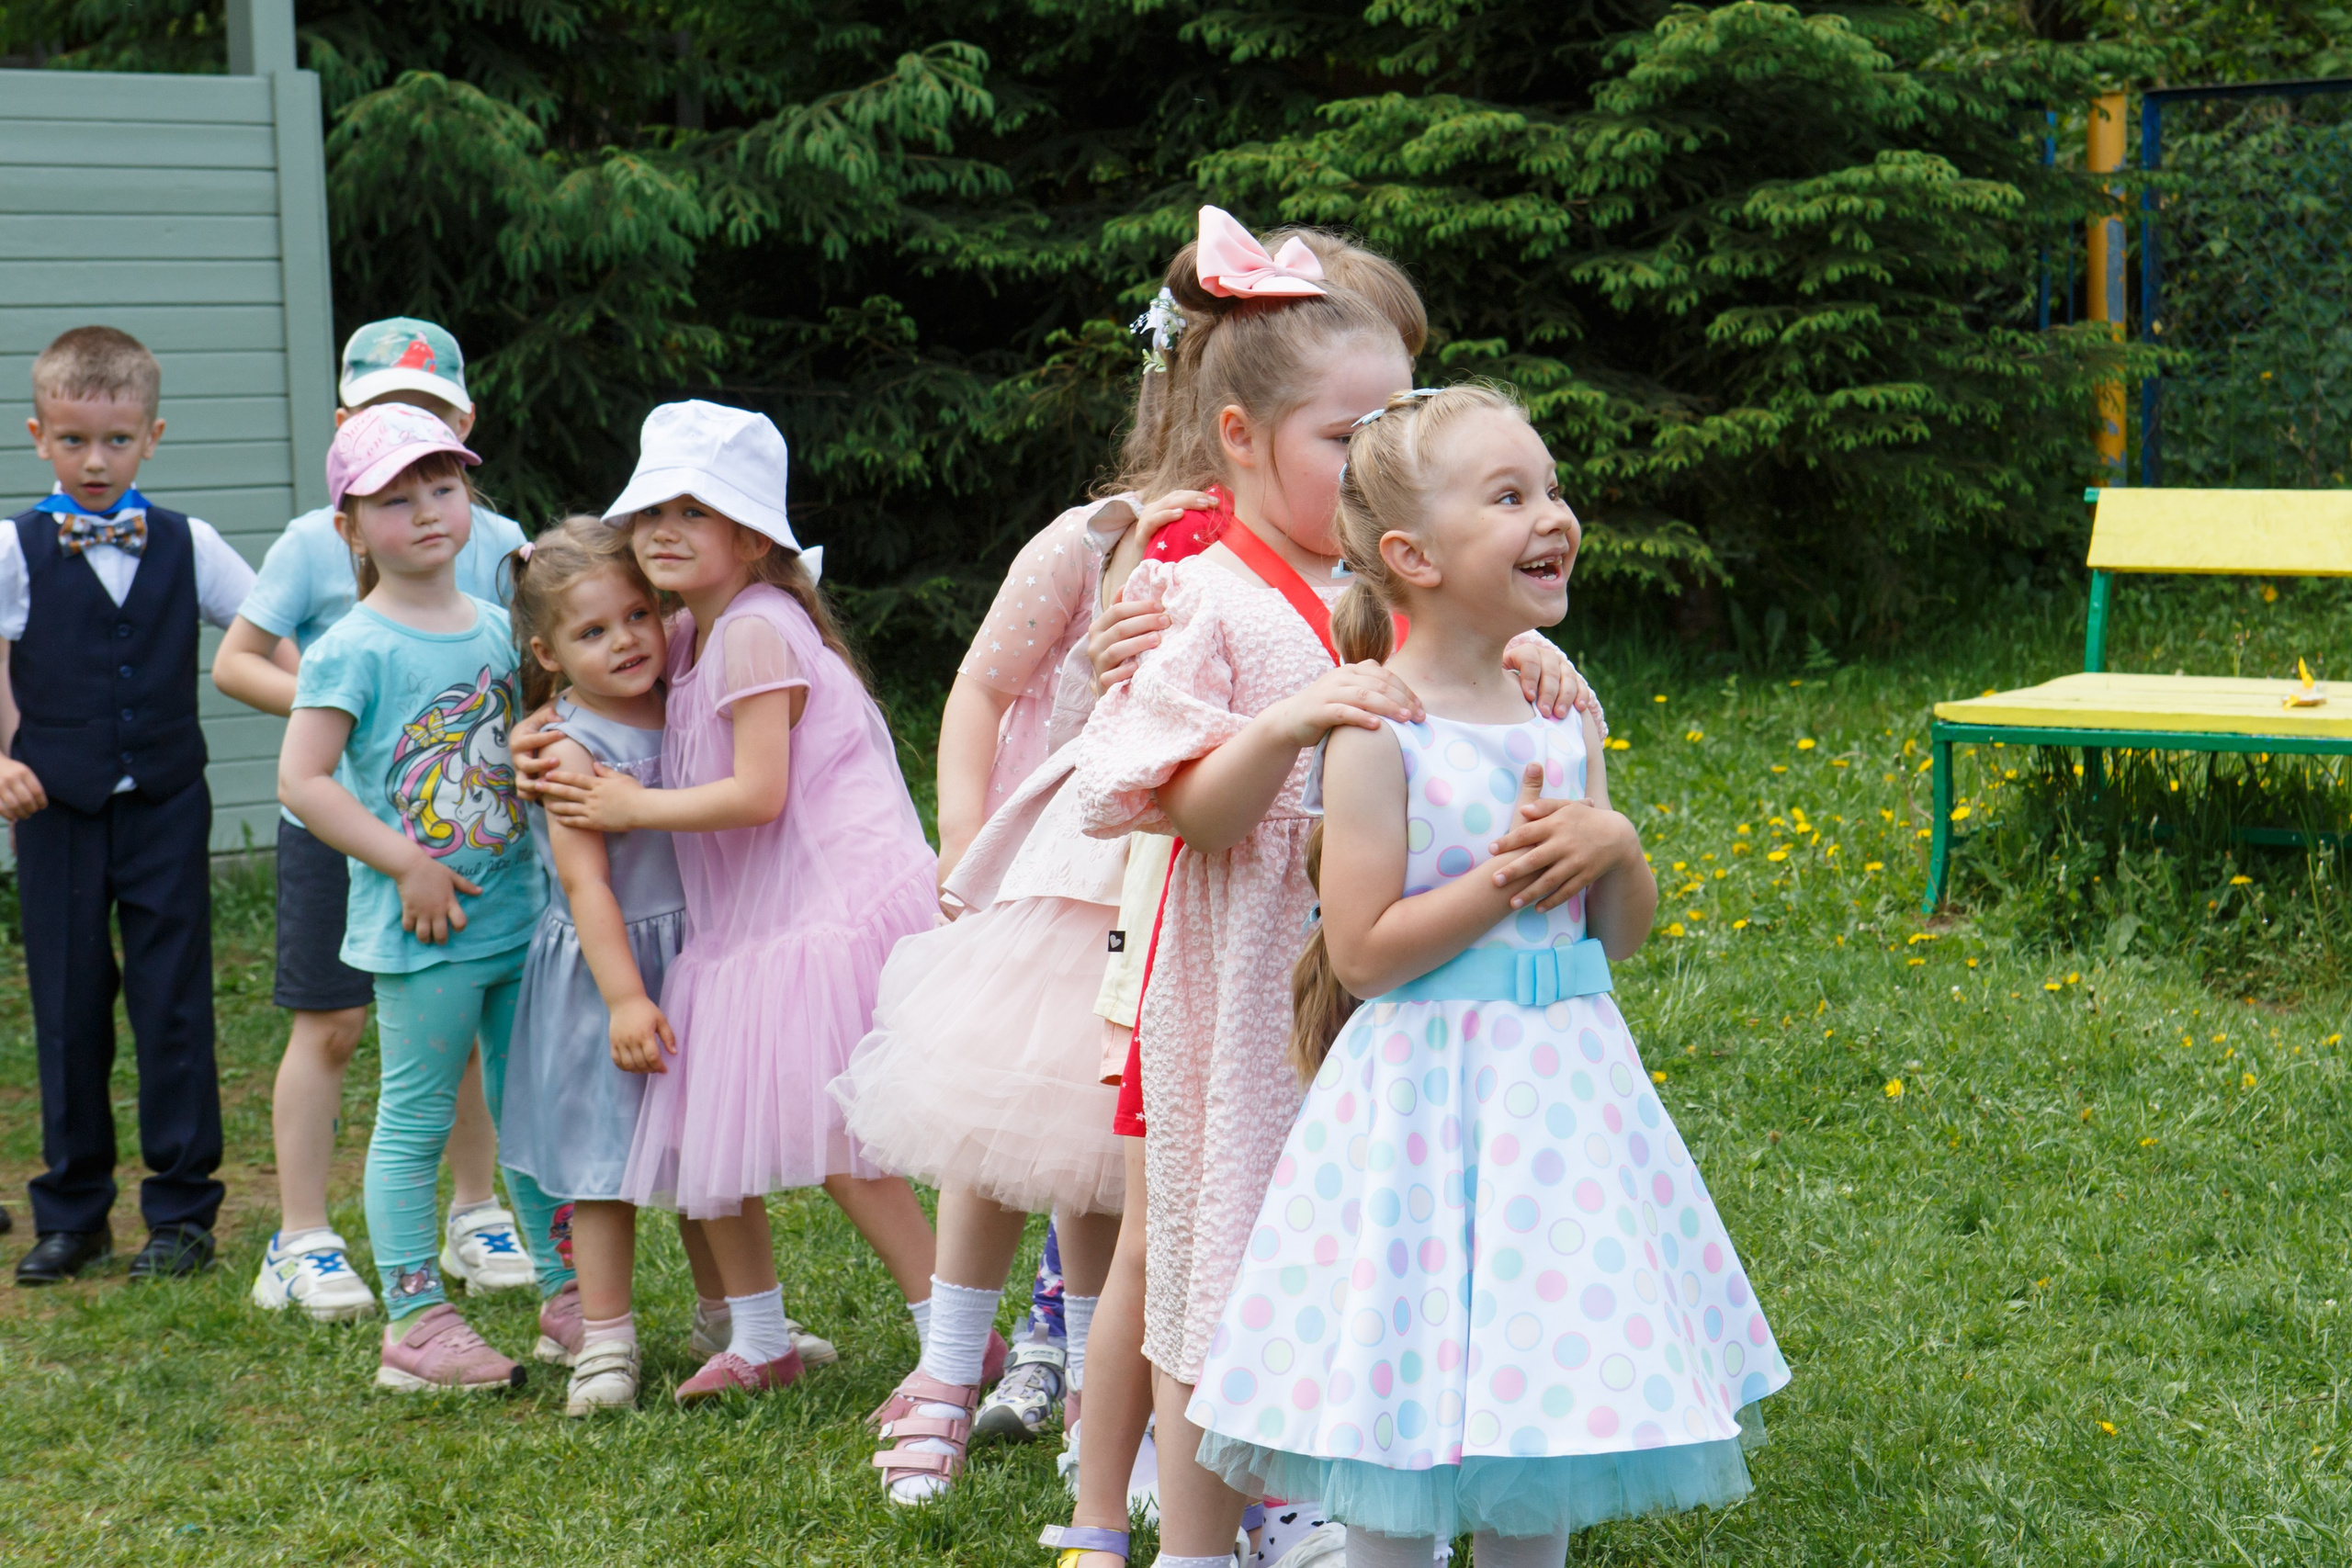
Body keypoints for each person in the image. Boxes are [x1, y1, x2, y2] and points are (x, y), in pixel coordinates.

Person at [1056, 211, 1586, 1568]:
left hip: (1391, 1016)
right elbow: (1176, 808)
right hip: (1243, 992)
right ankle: (1186, 1537)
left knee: (1355, 1262)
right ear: (1241, 434)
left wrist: (1533, 667)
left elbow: (1463, 674)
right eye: (1344, 440)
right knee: (1216, 1262)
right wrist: (1287, 729)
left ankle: (1343, 1508)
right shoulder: (1197, 588)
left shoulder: (1374, 580)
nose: (1366, 468)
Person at [1187, 385, 1789, 1565]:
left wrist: (1615, 849)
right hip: (1419, 1104)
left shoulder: (1560, 710)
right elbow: (1360, 952)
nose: (1552, 514)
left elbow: (1610, 938)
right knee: (1394, 1411)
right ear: (1411, 555)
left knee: (1545, 1402)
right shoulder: (1378, 733)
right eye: (1509, 495)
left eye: (1551, 487)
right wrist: (1502, 882)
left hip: (1560, 1109)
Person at [535, 400, 938, 1404]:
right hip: (752, 919)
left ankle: (954, 1332)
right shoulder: (688, 630)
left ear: (750, 537)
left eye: (692, 511)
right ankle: (760, 1337)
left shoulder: (757, 630)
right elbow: (594, 673)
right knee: (706, 1118)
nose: (663, 531)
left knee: (844, 1142)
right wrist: (540, 726)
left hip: (821, 906)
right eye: (651, 511)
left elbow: (759, 794)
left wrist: (633, 803)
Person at [221, 319, 529, 1322]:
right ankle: (301, 1235)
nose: (419, 488)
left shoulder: (499, 542)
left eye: (432, 429)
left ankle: (477, 1214)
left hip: (473, 840)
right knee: (334, 1023)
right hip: (344, 829)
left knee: (467, 1025)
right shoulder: (321, 540)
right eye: (381, 421)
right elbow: (237, 661)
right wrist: (349, 718)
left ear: (464, 426)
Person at [277, 404, 555, 1390]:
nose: (429, 513)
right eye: (396, 499)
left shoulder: (499, 628)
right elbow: (302, 781)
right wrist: (407, 863)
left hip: (520, 918)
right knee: (416, 1120)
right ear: (350, 526)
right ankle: (415, 1323)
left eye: (443, 488)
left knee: (532, 1110)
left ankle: (566, 1293)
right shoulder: (351, 645)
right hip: (427, 931)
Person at [0, 326, 254, 1286]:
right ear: (39, 436)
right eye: (73, 440)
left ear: (152, 435)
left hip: (163, 802)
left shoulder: (191, 543)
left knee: (172, 1003)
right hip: (55, 809)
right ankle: (72, 1212)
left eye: (115, 440)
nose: (94, 461)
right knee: (66, 1005)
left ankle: (182, 1214)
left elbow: (267, 628)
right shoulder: (13, 549)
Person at [498, 516, 719, 1415]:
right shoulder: (565, 745)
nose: (626, 640)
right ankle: (606, 1341)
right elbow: (585, 883)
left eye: (638, 614)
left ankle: (732, 1319)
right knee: (603, 1168)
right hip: (609, 970)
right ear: (548, 653)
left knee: (709, 1160)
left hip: (695, 956)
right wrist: (625, 999)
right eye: (593, 632)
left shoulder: (689, 700)